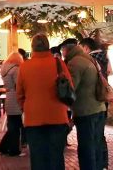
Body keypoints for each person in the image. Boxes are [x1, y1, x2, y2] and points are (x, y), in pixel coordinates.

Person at [18, 34, 73, 170]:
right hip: (57, 117)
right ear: (48, 46)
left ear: (32, 47)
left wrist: (26, 108)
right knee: (56, 158)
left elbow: (19, 94)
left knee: (37, 159)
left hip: (33, 119)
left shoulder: (24, 66)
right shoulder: (59, 63)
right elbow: (70, 87)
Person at [65, 41, 105, 170]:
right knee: (96, 144)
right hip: (99, 107)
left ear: (66, 51)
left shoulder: (74, 63)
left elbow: (71, 88)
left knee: (86, 147)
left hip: (85, 110)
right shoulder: (89, 58)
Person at [79, 37, 109, 170]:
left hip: (92, 102)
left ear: (86, 48)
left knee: (92, 138)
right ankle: (103, 164)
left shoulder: (89, 60)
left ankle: (98, 164)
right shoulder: (105, 58)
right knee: (100, 135)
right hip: (103, 98)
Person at [0, 51, 24, 156]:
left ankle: (3, 148)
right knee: (16, 126)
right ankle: (14, 150)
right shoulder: (15, 69)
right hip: (16, 99)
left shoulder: (4, 69)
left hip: (9, 97)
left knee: (12, 124)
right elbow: (19, 85)